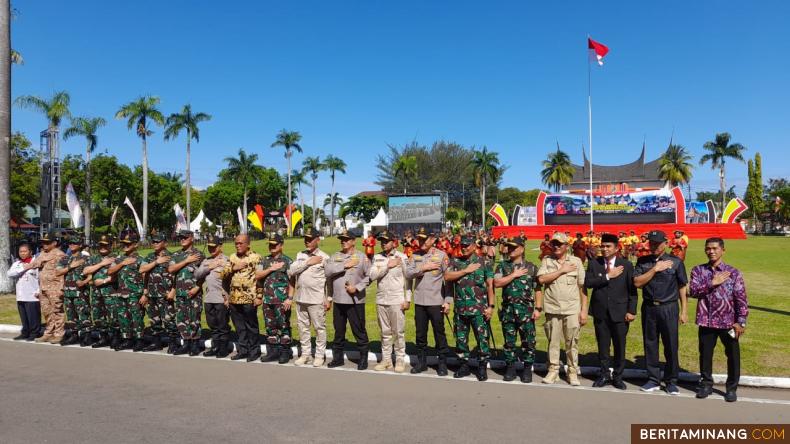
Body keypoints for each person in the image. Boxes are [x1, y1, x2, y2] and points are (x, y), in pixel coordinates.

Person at [689, 238, 748, 402]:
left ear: (723, 250)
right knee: (705, 355)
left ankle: (731, 388)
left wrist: (741, 321)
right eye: (708, 248)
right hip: (706, 321)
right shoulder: (698, 271)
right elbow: (693, 291)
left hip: (728, 322)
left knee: (733, 355)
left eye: (715, 248)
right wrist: (712, 282)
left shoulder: (733, 273)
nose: (711, 251)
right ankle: (706, 384)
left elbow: (741, 299)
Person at [634, 230, 689, 395]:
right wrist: (655, 270)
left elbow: (682, 286)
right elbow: (637, 282)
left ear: (665, 243)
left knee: (671, 344)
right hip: (650, 307)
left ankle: (671, 381)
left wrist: (684, 310)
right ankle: (653, 379)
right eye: (651, 243)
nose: (654, 246)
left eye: (657, 243)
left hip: (669, 307)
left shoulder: (676, 262)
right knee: (650, 343)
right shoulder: (642, 262)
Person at [584, 233, 638, 390]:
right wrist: (608, 276)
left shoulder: (626, 265)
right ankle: (604, 374)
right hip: (600, 312)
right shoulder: (595, 263)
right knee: (603, 346)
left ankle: (618, 376)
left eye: (608, 246)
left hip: (620, 312)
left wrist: (631, 310)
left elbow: (632, 290)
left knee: (620, 346)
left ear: (616, 248)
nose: (605, 249)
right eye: (603, 246)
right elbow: (588, 283)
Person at [537, 232, 587, 386]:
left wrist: (584, 310)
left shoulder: (576, 261)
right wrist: (561, 270)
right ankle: (553, 370)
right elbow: (541, 279)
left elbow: (582, 288)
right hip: (552, 308)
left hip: (572, 308)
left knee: (572, 342)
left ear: (567, 246)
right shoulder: (547, 260)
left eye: (560, 244)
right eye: (554, 243)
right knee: (553, 341)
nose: (556, 246)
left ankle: (572, 372)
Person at [444, 235, 495, 381]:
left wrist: (491, 306)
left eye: (467, 245)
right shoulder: (456, 261)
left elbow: (490, 285)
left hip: (479, 310)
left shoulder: (484, 262)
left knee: (482, 340)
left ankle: (482, 366)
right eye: (462, 245)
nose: (464, 247)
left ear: (474, 246)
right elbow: (447, 277)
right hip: (460, 310)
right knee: (461, 340)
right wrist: (466, 270)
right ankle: (464, 365)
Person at [493, 236, 541, 383]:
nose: (511, 250)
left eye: (514, 247)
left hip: (526, 311)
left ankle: (527, 368)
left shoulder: (531, 267)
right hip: (508, 310)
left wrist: (538, 308)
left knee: (528, 341)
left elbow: (538, 289)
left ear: (522, 248)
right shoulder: (502, 266)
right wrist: (514, 275)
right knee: (509, 342)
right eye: (509, 247)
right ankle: (511, 367)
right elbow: (497, 282)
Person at [405, 228, 451, 376]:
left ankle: (442, 363)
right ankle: (421, 362)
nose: (422, 242)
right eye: (420, 239)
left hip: (436, 301)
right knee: (420, 334)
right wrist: (423, 267)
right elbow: (408, 273)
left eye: (425, 239)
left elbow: (448, 279)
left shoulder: (441, 256)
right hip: (420, 301)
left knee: (439, 333)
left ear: (432, 239)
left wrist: (448, 301)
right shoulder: (415, 255)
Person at [325, 230, 372, 370]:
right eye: (341, 239)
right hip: (339, 300)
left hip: (355, 300)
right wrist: (344, 265)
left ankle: (363, 358)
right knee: (338, 331)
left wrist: (357, 288)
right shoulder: (335, 256)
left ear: (353, 241)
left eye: (346, 239)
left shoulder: (362, 257)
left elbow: (369, 276)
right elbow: (327, 272)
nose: (343, 241)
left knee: (359, 330)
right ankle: (338, 358)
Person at [369, 231, 412, 373]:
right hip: (381, 299)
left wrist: (408, 299)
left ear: (393, 243)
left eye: (386, 241)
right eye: (381, 241)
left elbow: (408, 280)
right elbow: (373, 275)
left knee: (398, 332)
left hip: (397, 300)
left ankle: (400, 359)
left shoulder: (402, 257)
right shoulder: (377, 258)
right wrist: (388, 265)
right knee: (385, 332)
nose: (383, 243)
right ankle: (386, 359)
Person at [288, 227, 331, 367]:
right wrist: (308, 262)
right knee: (303, 328)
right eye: (305, 238)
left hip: (316, 298)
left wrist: (328, 298)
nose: (307, 241)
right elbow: (291, 271)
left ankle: (319, 355)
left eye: (310, 239)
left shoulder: (324, 257)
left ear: (317, 239)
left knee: (319, 328)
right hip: (301, 298)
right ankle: (305, 354)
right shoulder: (300, 255)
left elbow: (329, 281)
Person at [221, 234, 262, 361]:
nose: (238, 245)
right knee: (239, 327)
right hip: (234, 299)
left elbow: (260, 278)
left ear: (248, 244)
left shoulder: (256, 258)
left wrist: (259, 296)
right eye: (236, 243)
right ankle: (243, 350)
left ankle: (254, 351)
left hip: (249, 299)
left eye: (241, 243)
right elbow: (222, 275)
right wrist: (234, 267)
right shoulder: (232, 257)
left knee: (251, 326)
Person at [255, 233, 295, 364]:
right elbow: (257, 276)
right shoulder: (264, 260)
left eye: (275, 244)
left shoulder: (287, 261)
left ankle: (285, 351)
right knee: (270, 326)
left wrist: (289, 298)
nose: (272, 247)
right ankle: (272, 351)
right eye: (270, 244)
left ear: (281, 245)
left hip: (282, 300)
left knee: (283, 326)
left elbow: (292, 282)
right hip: (267, 300)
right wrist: (270, 268)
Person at [106, 230, 147, 351]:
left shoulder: (140, 259)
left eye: (128, 243)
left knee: (137, 318)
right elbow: (110, 271)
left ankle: (139, 340)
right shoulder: (119, 259)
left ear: (135, 244)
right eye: (124, 243)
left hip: (135, 294)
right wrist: (122, 263)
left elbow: (146, 277)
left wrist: (145, 294)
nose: (125, 245)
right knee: (123, 318)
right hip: (120, 293)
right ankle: (127, 340)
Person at [24, 230, 66, 344]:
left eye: (47, 242)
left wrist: (61, 289)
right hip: (44, 288)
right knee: (47, 312)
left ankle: (59, 334)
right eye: (43, 242)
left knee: (57, 311)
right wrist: (27, 266)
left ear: (54, 243)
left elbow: (63, 273)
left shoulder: (60, 255)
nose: (45, 245)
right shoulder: (43, 254)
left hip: (55, 288)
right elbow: (35, 263)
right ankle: (48, 333)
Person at [168, 230, 206, 356]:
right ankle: (186, 343)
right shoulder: (176, 255)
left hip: (194, 292)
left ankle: (195, 344)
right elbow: (171, 269)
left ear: (191, 238)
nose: (182, 240)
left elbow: (204, 274)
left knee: (194, 318)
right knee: (182, 319)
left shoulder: (199, 254)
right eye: (180, 238)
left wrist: (198, 287)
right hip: (180, 292)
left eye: (184, 237)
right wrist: (186, 260)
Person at [139, 232, 177, 352]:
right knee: (154, 321)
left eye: (157, 241)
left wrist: (173, 291)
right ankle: (157, 343)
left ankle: (173, 343)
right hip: (152, 295)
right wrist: (156, 262)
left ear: (165, 243)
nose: (154, 243)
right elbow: (142, 270)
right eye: (153, 241)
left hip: (166, 295)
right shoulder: (150, 257)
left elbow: (177, 276)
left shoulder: (171, 257)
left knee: (169, 320)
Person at [195, 235, 231, 358]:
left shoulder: (226, 260)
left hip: (221, 298)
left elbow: (230, 280)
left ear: (220, 246)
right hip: (209, 298)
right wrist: (210, 267)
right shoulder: (206, 261)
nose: (211, 249)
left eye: (214, 247)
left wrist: (228, 297)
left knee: (222, 325)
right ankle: (215, 346)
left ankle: (223, 348)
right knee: (212, 325)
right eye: (210, 247)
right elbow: (197, 274)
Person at [56, 235, 92, 346]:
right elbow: (58, 272)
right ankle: (73, 335)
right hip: (67, 292)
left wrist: (84, 282)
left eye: (74, 243)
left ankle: (87, 336)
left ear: (80, 245)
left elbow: (91, 275)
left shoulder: (86, 259)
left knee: (83, 314)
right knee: (71, 315)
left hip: (80, 292)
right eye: (70, 243)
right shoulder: (65, 259)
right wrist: (71, 266)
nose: (71, 245)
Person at [83, 235, 116, 349]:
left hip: (111, 291)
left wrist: (103, 281)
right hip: (97, 293)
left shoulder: (115, 257)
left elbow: (118, 275)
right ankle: (103, 337)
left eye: (105, 245)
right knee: (98, 315)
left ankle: (115, 337)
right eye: (101, 245)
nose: (102, 247)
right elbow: (86, 270)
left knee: (113, 315)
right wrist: (102, 264)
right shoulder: (94, 258)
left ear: (110, 245)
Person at [7, 242, 41, 341]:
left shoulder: (36, 262)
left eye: (25, 251)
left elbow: (40, 278)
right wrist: (24, 267)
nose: (22, 253)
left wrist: (39, 290)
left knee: (33, 315)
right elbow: (10, 274)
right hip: (21, 294)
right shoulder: (17, 263)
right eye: (20, 251)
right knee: (24, 315)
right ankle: (25, 332)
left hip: (32, 294)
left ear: (30, 252)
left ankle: (35, 333)